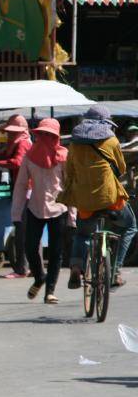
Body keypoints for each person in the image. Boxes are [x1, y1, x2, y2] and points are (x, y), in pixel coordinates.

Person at [60, 105, 137, 288]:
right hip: (110, 200)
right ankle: (116, 270)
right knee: (130, 226)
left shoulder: (74, 143)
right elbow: (121, 168)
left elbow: (69, 172)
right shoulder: (111, 140)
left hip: (85, 202)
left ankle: (77, 268)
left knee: (82, 235)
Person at [11, 119, 68, 304]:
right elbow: (20, 186)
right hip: (35, 208)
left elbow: (69, 186)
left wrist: (73, 216)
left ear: (56, 137)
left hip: (59, 208)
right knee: (29, 247)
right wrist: (16, 213)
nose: (45, 138)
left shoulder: (64, 156)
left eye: (49, 135)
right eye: (42, 134)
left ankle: (49, 291)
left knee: (55, 252)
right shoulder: (29, 156)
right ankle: (39, 277)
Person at [0, 114, 32, 278]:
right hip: (21, 188)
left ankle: (23, 269)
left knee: (23, 230)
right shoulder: (17, 143)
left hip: (27, 190)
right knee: (24, 230)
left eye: (11, 132)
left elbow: (17, 162)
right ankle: (26, 268)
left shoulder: (23, 143)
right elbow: (5, 157)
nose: (9, 135)